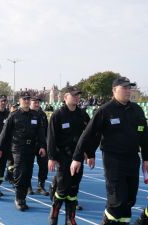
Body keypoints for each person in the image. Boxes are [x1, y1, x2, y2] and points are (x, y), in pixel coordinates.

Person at [70, 77, 148, 224]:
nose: (128, 90)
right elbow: (88, 135)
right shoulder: (105, 111)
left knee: (129, 200)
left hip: (132, 160)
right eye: (124, 88)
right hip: (114, 161)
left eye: (129, 87)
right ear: (114, 90)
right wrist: (77, 157)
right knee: (117, 201)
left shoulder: (137, 110)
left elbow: (145, 136)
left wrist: (146, 158)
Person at [0, 91, 46, 211]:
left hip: (31, 148)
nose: (27, 101)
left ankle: (23, 197)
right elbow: (4, 133)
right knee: (20, 173)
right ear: (20, 101)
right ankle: (19, 199)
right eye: (24, 99)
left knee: (28, 173)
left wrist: (42, 146)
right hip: (18, 148)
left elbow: (40, 133)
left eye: (28, 99)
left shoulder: (36, 115)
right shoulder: (14, 115)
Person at [47, 86, 90, 225]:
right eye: (74, 95)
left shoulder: (83, 114)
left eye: (78, 95)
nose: (77, 97)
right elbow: (51, 138)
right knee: (62, 188)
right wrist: (51, 157)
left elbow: (89, 135)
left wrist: (89, 153)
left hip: (77, 157)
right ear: (65, 97)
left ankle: (70, 219)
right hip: (63, 157)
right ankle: (54, 216)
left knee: (73, 189)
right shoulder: (57, 115)